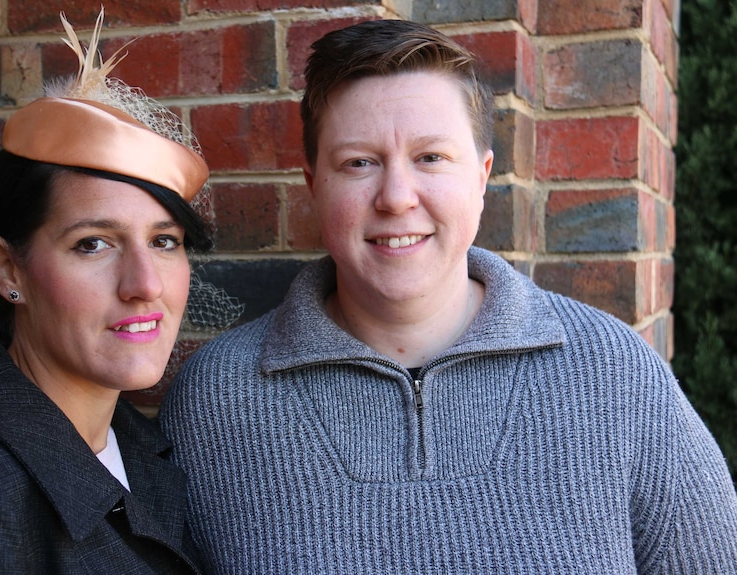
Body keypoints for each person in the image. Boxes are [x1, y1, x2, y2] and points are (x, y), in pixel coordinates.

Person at [159, 19, 737, 574]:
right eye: (359, 163)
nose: (396, 197)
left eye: (430, 157)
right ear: (314, 185)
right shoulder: (215, 401)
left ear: (482, 177)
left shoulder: (615, 376)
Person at [0, 9, 211, 574]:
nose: (145, 285)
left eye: (164, 241)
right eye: (92, 244)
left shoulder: (138, 445)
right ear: (9, 270)